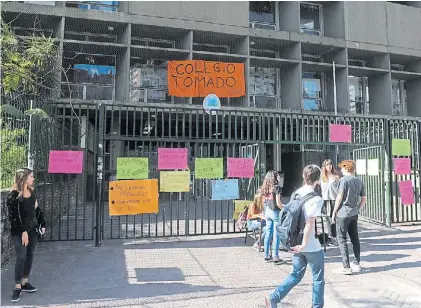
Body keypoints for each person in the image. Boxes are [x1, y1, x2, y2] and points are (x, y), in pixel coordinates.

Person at [265, 165, 325, 308]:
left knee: (296, 274)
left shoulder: (296, 193)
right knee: (318, 279)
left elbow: (284, 208)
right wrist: (304, 244)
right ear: (318, 180)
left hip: (294, 241)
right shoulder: (316, 199)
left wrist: (298, 245)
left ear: (304, 177)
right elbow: (310, 222)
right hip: (310, 244)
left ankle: (274, 298)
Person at [6, 168, 46, 302]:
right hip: (19, 230)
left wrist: (43, 223)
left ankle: (25, 282)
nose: (33, 179)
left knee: (29, 255)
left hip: (33, 229)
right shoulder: (13, 196)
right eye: (31, 176)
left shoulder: (32, 191)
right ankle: (17, 287)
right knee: (21, 256)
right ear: (23, 178)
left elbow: (37, 209)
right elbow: (14, 218)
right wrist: (23, 232)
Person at [332, 160, 366, 275]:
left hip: (343, 213)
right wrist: (358, 208)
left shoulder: (343, 180)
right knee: (355, 239)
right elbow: (364, 198)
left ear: (346, 168)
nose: (341, 170)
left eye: (342, 168)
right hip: (353, 213)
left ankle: (346, 266)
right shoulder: (359, 181)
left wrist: (334, 211)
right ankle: (356, 263)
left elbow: (340, 197)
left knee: (341, 239)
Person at [260, 171, 284, 264]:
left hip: (268, 211)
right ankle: (275, 256)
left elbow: (263, 201)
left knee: (268, 233)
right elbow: (278, 203)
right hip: (275, 212)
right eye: (277, 176)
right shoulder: (277, 187)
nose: (279, 177)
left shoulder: (265, 187)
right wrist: (285, 208)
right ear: (274, 177)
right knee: (276, 234)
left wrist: (264, 211)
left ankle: (266, 255)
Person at [320, 159, 340, 245]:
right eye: (327, 165)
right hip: (325, 199)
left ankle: (334, 237)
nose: (329, 166)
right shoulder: (321, 177)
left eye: (331, 164)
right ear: (324, 166)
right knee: (326, 219)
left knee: (333, 218)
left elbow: (339, 189)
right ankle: (329, 236)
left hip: (333, 199)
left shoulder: (336, 176)